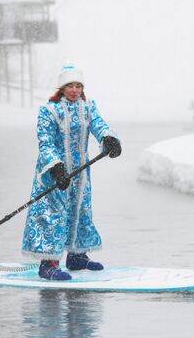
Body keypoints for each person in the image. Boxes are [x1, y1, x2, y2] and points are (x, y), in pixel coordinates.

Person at [21, 66, 121, 281]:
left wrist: (108, 138)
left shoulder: (88, 107)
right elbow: (45, 142)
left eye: (78, 86)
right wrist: (56, 167)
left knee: (80, 211)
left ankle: (76, 256)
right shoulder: (49, 111)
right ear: (62, 88)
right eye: (70, 85)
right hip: (53, 173)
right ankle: (48, 265)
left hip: (81, 173)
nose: (74, 90)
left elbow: (98, 125)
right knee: (53, 216)